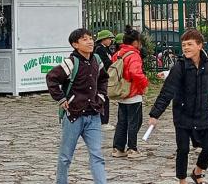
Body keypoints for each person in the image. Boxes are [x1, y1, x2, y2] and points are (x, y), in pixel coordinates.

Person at [149, 29, 208, 184]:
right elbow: (167, 92)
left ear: (199, 46)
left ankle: (198, 172)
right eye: (184, 45)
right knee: (183, 150)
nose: (186, 48)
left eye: (189, 44)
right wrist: (155, 114)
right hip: (182, 115)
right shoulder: (179, 67)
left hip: (203, 114)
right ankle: (182, 180)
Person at [46, 28, 109, 184]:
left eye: (90, 38)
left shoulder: (96, 60)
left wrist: (100, 97)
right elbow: (51, 79)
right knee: (66, 156)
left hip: (93, 115)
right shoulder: (71, 62)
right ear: (75, 44)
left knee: (97, 155)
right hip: (73, 116)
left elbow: (103, 79)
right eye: (84, 39)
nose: (90, 41)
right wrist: (61, 99)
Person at [111, 25, 149, 159]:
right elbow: (135, 73)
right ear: (136, 42)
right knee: (135, 122)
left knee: (122, 122)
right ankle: (132, 149)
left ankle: (118, 148)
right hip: (133, 93)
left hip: (121, 92)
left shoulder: (118, 54)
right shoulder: (134, 55)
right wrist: (145, 84)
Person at [94, 29, 115, 130]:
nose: (110, 40)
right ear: (103, 39)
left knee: (105, 98)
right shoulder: (99, 49)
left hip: (106, 76)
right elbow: (106, 62)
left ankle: (104, 120)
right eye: (108, 38)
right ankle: (103, 122)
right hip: (101, 77)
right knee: (103, 98)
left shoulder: (106, 49)